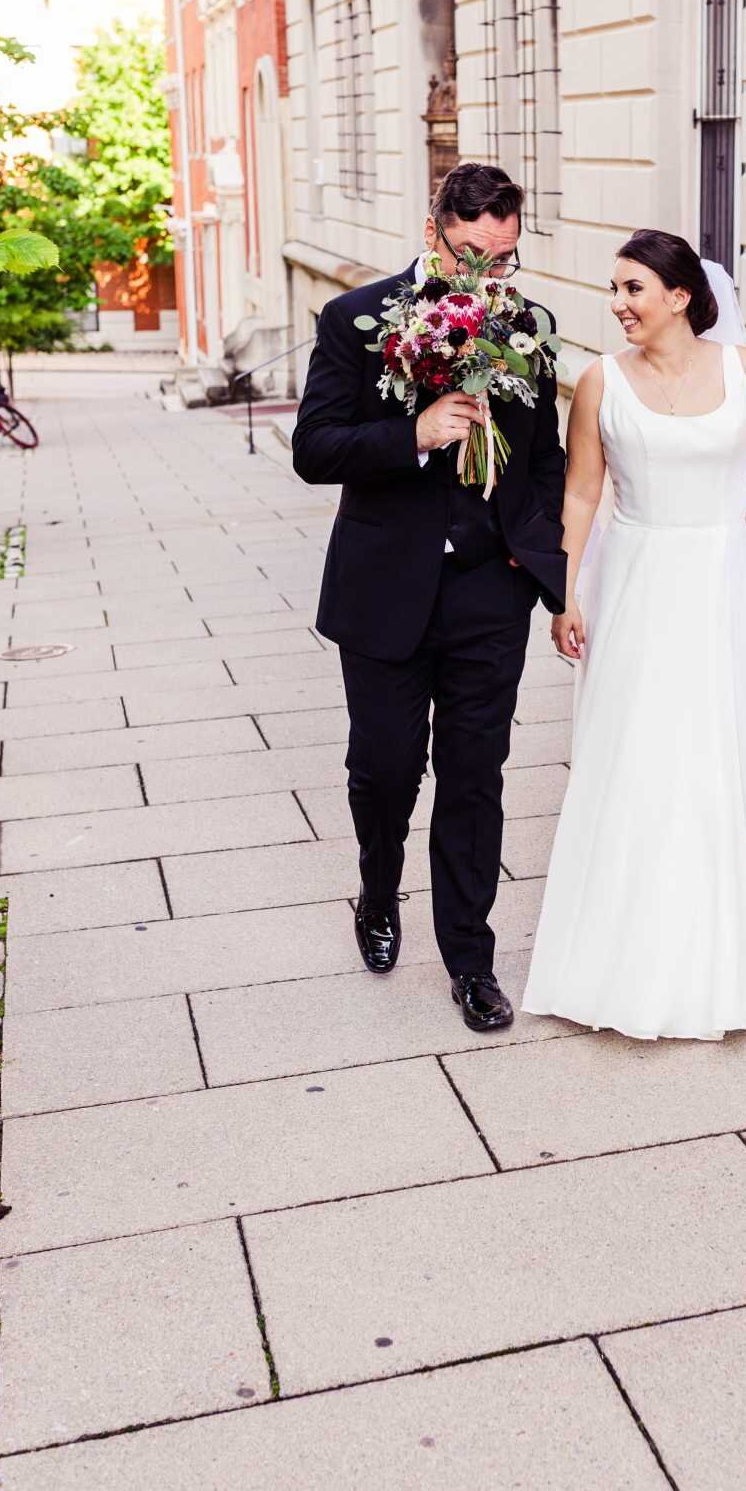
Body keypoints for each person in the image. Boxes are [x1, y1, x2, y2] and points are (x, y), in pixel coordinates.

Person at [521, 229, 746, 1038]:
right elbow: (580, 497)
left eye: (633, 289)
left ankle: (729, 932)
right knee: (639, 754)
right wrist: (562, 595)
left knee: (722, 751)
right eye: (615, 289)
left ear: (681, 297)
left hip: (726, 586)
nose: (618, 304)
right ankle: (626, 942)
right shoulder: (598, 383)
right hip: (640, 584)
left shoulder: (745, 369)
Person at [292, 163, 568, 1035]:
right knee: (383, 770)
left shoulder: (524, 328)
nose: (488, 275)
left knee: (475, 778)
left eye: (505, 257)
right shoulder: (355, 320)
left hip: (491, 591)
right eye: (471, 253)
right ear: (432, 229)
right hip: (384, 590)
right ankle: (377, 891)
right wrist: (412, 433)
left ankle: (471, 961)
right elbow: (315, 447)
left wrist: (536, 558)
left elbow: (546, 456)